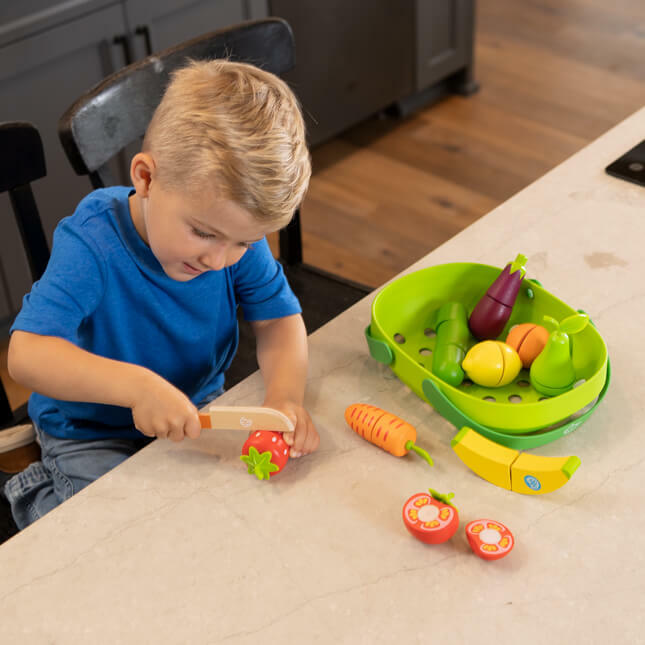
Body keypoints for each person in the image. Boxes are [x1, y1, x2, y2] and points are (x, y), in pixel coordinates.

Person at [2, 59, 320, 530]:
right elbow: (25, 357)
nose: (220, 260)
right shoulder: (92, 244)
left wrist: (285, 397)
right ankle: (36, 491)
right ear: (146, 179)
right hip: (92, 432)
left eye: (244, 242)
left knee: (218, 521)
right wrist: (138, 389)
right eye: (203, 233)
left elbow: (277, 320)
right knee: (118, 538)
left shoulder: (229, 238)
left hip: (196, 410)